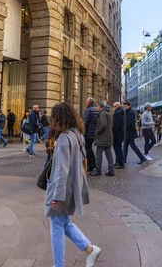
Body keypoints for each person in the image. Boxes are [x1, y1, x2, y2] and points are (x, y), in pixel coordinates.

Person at [45, 102, 102, 267]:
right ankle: (90, 250)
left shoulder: (64, 137)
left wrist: (57, 195)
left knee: (56, 226)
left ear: (59, 118)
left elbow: (61, 170)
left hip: (62, 187)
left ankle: (59, 265)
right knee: (64, 222)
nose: (52, 120)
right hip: (73, 185)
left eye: (54, 117)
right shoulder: (77, 134)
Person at [91, 101, 115, 177]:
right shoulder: (110, 113)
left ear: (100, 107)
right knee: (109, 154)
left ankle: (98, 171)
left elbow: (103, 125)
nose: (97, 108)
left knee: (98, 153)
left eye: (98, 106)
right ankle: (111, 170)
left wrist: (97, 132)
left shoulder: (103, 114)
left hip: (102, 136)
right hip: (109, 136)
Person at [83, 98, 99, 172]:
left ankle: (91, 164)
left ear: (89, 102)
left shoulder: (88, 110)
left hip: (89, 132)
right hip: (94, 132)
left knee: (88, 148)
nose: (85, 102)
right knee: (89, 148)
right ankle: (94, 163)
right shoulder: (96, 109)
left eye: (86, 101)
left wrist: (83, 131)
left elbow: (86, 122)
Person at [112, 102, 125, 169]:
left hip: (117, 134)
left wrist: (112, 131)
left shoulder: (117, 113)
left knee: (117, 148)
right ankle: (118, 161)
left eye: (114, 106)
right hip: (120, 133)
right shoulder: (121, 112)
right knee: (118, 148)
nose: (113, 108)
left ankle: (120, 163)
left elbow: (115, 125)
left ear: (116, 106)